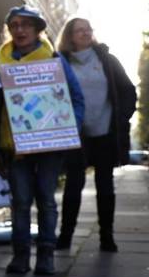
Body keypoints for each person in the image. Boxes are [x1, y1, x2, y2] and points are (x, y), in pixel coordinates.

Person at [0, 6, 84, 275]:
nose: (19, 30)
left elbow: (76, 99)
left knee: (46, 199)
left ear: (38, 29)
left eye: (26, 25)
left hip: (50, 146)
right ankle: (20, 257)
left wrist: (67, 127)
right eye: (14, 25)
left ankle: (46, 256)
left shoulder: (53, 59)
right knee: (20, 201)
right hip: (14, 146)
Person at [56, 17, 137, 251]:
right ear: (69, 36)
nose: (85, 33)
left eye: (88, 29)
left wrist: (120, 119)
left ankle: (106, 236)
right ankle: (65, 236)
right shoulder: (60, 62)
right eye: (79, 30)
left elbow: (128, 91)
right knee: (73, 184)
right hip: (76, 135)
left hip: (105, 133)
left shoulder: (108, 61)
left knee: (105, 186)